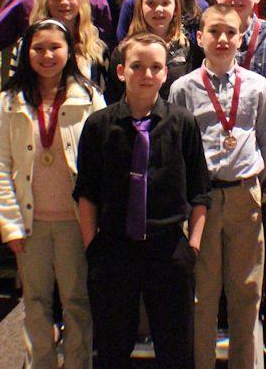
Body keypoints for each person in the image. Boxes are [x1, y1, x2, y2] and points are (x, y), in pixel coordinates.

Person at [75, 32, 212, 368]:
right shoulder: (98, 125)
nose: (147, 75)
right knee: (112, 346)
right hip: (113, 250)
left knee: (175, 348)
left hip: (167, 250)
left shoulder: (183, 124)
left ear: (166, 73)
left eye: (155, 67)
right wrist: (91, 245)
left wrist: (192, 246)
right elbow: (87, 193)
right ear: (121, 71)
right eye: (137, 66)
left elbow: (199, 191)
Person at [0, 20, 104, 369]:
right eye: (39, 48)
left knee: (77, 301)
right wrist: (9, 224)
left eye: (56, 47)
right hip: (30, 224)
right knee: (35, 302)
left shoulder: (88, 97)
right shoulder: (10, 100)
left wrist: (97, 223)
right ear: (27, 53)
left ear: (69, 52)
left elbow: (102, 162)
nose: (47, 55)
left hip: (75, 223)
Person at [169, 5, 266, 369]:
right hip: (202, 201)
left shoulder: (257, 86)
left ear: (242, 38)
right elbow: (177, 149)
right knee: (204, 295)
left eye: (231, 32)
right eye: (214, 31)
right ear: (200, 37)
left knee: (246, 292)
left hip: (245, 196)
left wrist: (251, 184)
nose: (223, 39)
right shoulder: (183, 88)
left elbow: (265, 142)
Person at [106, 0, 195, 103]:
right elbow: (114, 98)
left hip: (176, 119)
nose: (159, 9)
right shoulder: (123, 50)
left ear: (175, 9)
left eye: (165, 3)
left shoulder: (187, 48)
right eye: (151, 3)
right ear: (140, 7)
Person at [28, 0, 110, 87]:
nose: (64, 2)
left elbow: (102, 98)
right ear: (45, 0)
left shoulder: (98, 49)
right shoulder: (27, 44)